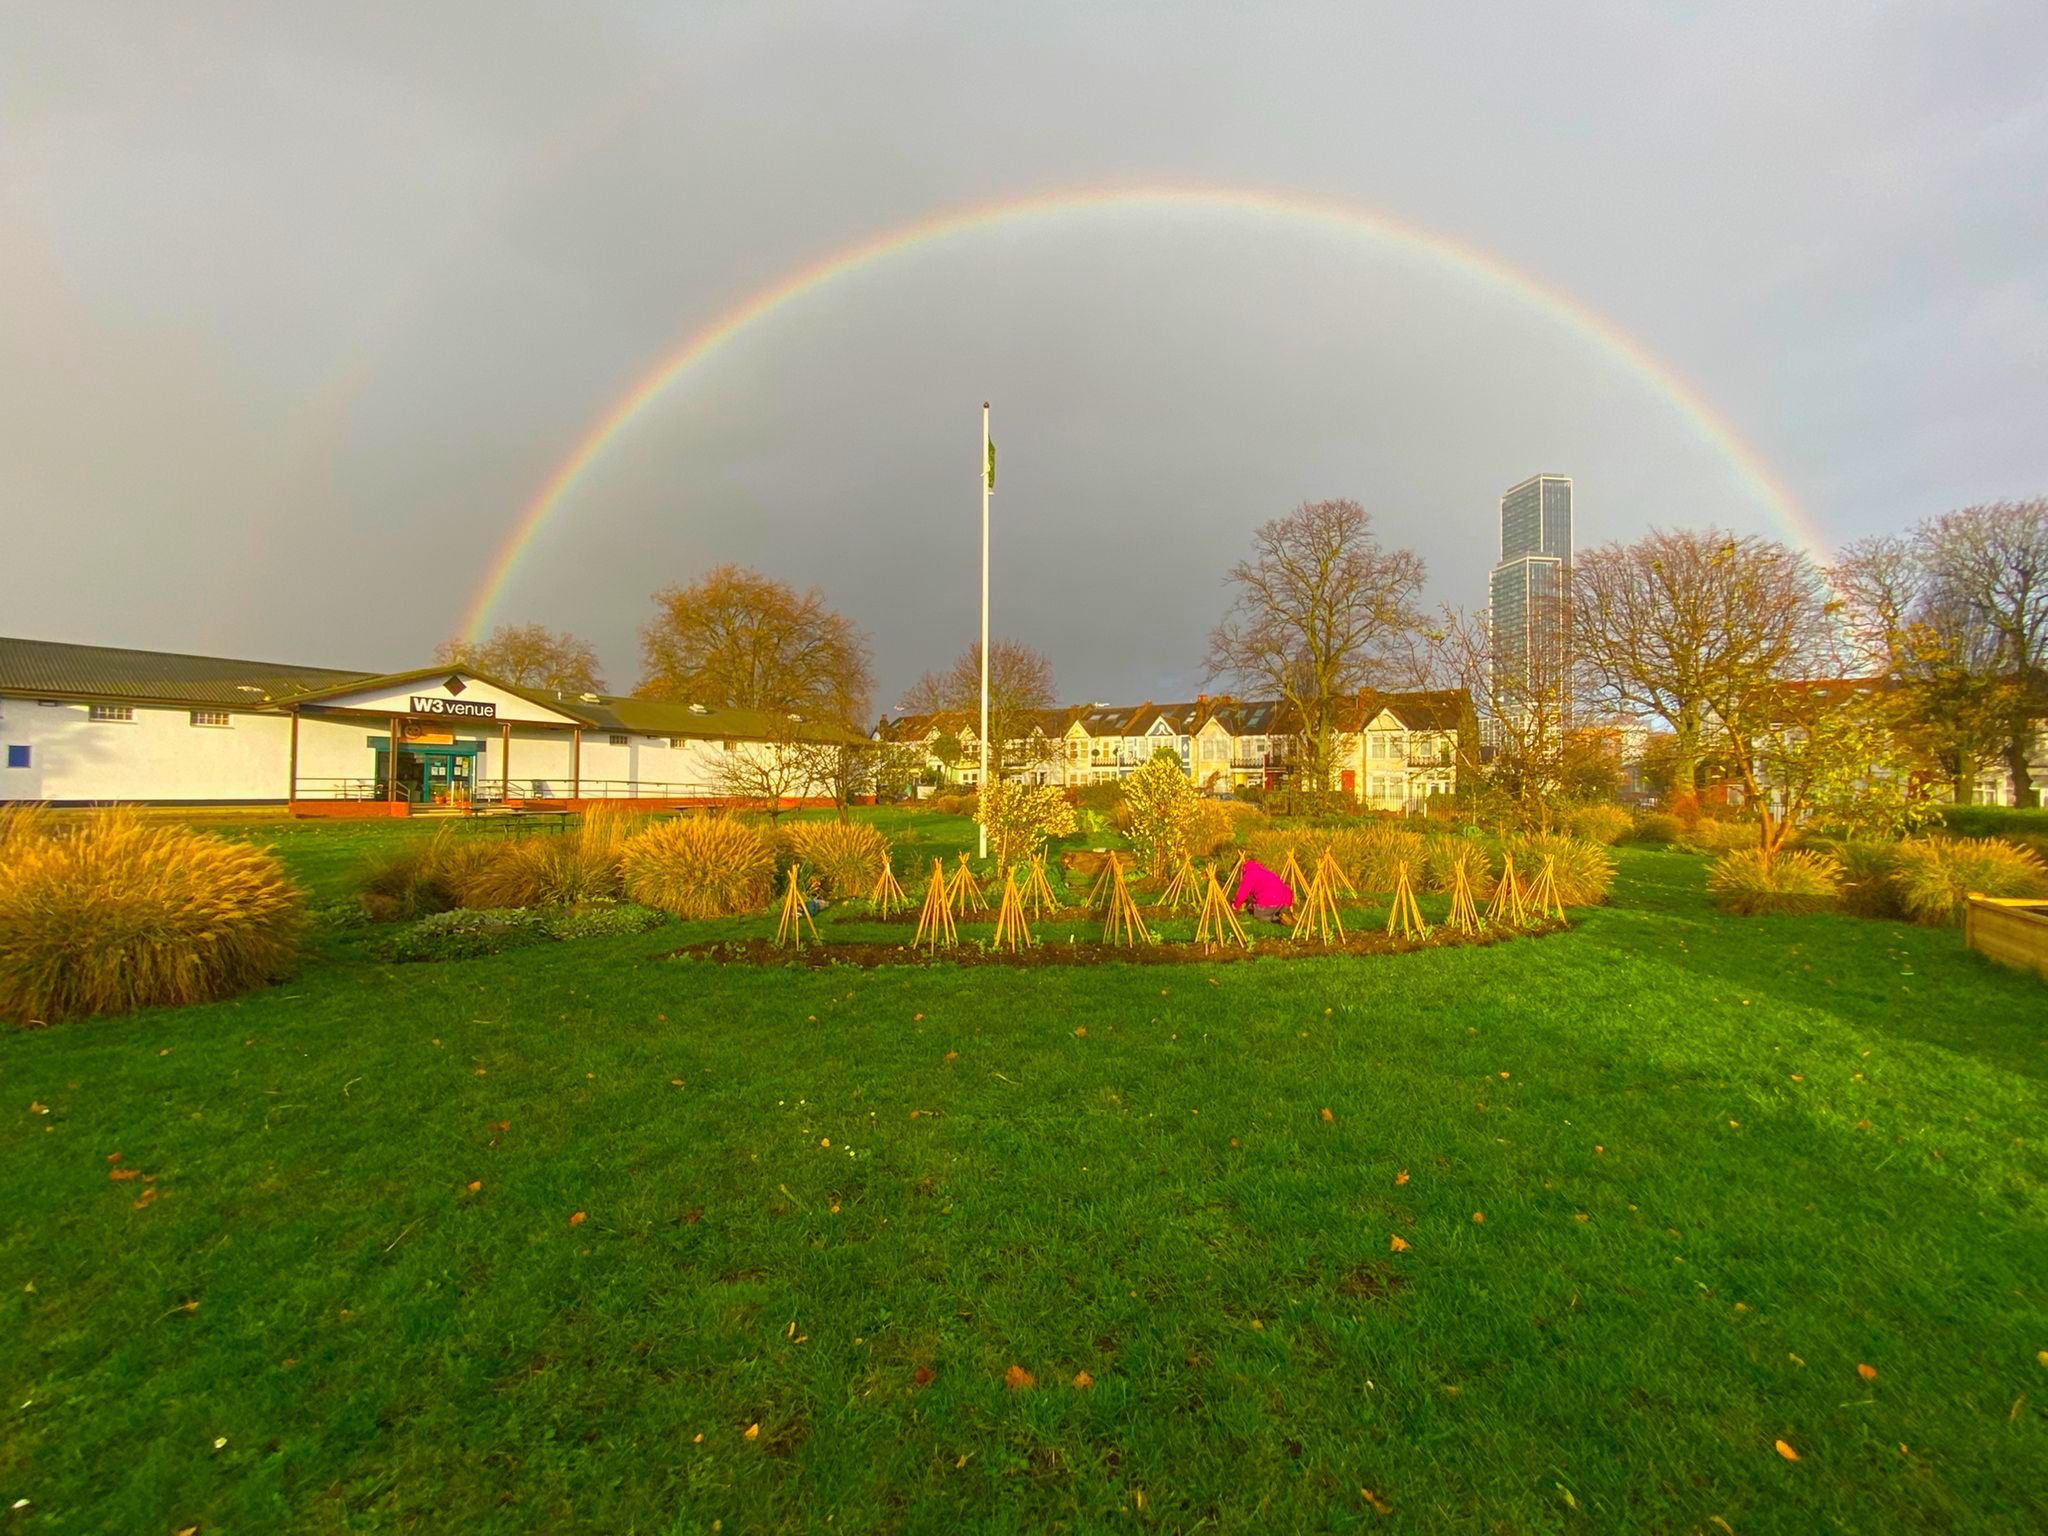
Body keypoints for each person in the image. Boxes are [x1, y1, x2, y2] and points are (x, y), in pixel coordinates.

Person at [1232, 858, 1294, 923]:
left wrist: (1235, 906)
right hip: (1285, 902)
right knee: (1257, 904)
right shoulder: (1265, 872)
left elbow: (1242, 893)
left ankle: (1275, 918)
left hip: (1270, 900)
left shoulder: (1250, 875)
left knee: (1259, 914)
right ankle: (1280, 913)